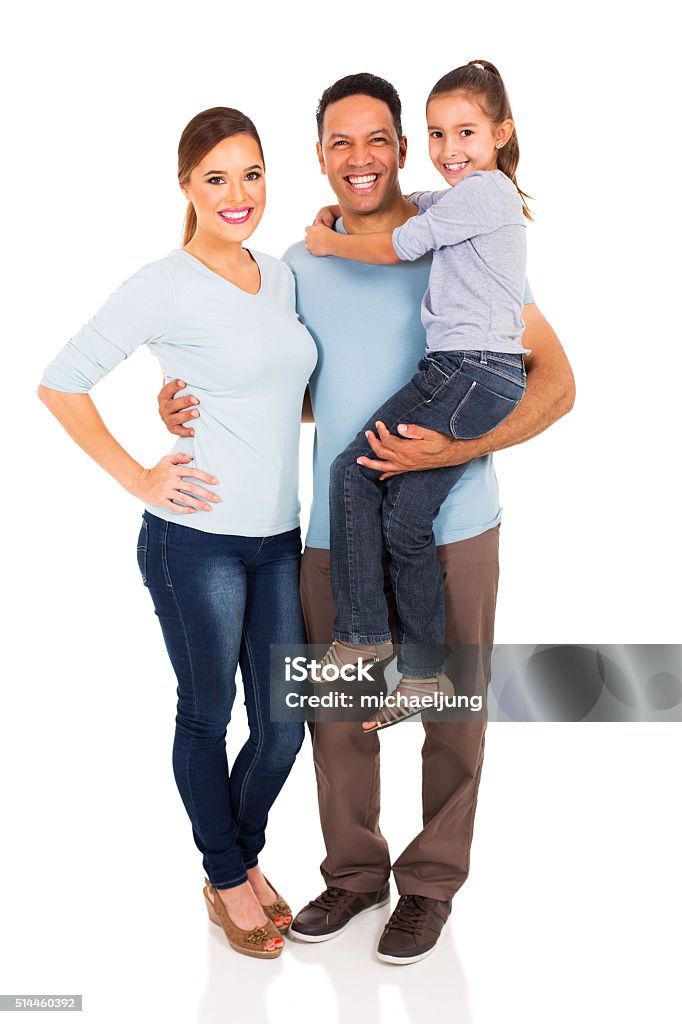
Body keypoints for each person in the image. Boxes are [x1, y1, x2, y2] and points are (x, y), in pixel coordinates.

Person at [158, 74, 575, 965]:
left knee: (450, 714)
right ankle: (353, 876)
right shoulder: (299, 266)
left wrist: (448, 453)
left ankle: (429, 890)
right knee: (339, 716)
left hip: (454, 521)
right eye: (341, 143)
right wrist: (183, 403)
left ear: (400, 149)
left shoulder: (456, 235)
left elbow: (557, 383)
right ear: (319, 157)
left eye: (378, 139)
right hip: (333, 531)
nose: (361, 158)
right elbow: (285, 385)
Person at [38, 107, 318, 960]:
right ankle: (231, 876)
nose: (239, 195)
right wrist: (139, 474)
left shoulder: (278, 275)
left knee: (283, 725)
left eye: (253, 174)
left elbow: (285, 391)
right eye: (217, 179)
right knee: (208, 713)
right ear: (187, 187)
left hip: (277, 539)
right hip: (192, 540)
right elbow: (62, 383)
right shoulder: (163, 281)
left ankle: (234, 861)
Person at [304, 61, 529, 726]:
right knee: (403, 519)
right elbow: (420, 209)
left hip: (470, 368)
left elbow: (403, 242)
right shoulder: (465, 201)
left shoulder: (488, 193)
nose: (449, 149)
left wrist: (329, 242)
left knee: (352, 472)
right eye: (438, 134)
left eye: (465, 132)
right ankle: (424, 674)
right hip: (469, 370)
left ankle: (367, 634)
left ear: (502, 133)